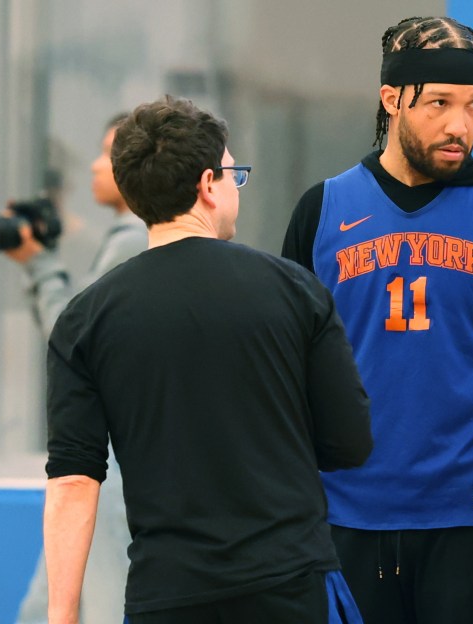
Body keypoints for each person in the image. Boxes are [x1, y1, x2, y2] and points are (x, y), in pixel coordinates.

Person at [282, 16, 473, 624]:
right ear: (392, 100)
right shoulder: (321, 212)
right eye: (439, 102)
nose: (459, 125)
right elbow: (287, 385)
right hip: (347, 521)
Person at [43, 96, 373, 624]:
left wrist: (62, 614)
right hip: (288, 583)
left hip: (167, 593)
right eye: (233, 174)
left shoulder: (85, 319)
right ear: (207, 185)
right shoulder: (294, 291)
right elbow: (349, 442)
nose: (235, 187)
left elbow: (73, 479)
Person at [13, 113, 147, 624]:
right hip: (107, 451)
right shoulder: (119, 238)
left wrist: (38, 263)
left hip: (111, 460)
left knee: (101, 602)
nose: (95, 165)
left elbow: (71, 339)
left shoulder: (133, 240)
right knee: (43, 604)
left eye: (108, 153)